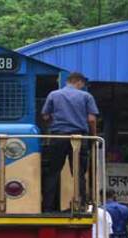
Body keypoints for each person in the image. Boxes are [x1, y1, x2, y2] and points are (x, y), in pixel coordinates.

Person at [41, 72, 100, 212]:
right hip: (79, 138)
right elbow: (91, 119)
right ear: (78, 82)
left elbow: (45, 115)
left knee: (53, 171)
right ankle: (80, 205)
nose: (83, 87)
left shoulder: (53, 95)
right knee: (79, 172)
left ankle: (47, 207)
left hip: (58, 137)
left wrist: (54, 125)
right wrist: (93, 136)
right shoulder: (86, 96)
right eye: (83, 84)